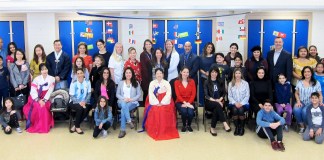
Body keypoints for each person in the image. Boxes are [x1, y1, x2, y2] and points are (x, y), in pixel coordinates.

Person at [144, 68, 179, 140]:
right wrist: (156, 102)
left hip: (165, 100)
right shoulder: (152, 83)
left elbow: (169, 93)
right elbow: (150, 94)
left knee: (164, 110)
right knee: (154, 110)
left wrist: (162, 102)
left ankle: (165, 129)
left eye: (160, 73)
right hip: (154, 100)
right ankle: (155, 130)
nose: (159, 75)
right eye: (157, 73)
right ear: (155, 75)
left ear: (163, 74)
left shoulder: (166, 83)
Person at [23, 63, 55, 133]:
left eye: (46, 69)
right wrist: (38, 99)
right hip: (36, 97)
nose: (44, 71)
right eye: (42, 69)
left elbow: (50, 90)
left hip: (46, 98)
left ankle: (44, 126)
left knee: (43, 107)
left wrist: (45, 100)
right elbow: (33, 91)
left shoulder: (52, 78)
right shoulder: (36, 79)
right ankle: (36, 124)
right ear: (40, 71)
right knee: (37, 106)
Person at [294, 66, 322, 134]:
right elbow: (296, 93)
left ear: (311, 73)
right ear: (303, 73)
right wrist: (298, 101)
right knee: (296, 109)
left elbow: (320, 94)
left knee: (304, 111)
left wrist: (320, 102)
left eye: (308, 71)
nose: (307, 73)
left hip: (312, 103)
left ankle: (308, 126)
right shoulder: (299, 82)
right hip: (302, 101)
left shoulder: (316, 82)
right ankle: (302, 126)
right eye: (305, 72)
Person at [204, 66, 231, 136]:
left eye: (215, 72)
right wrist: (217, 101)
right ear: (210, 73)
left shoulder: (220, 81)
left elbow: (224, 93)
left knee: (217, 108)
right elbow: (206, 95)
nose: (214, 74)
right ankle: (224, 123)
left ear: (218, 73)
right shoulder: (206, 82)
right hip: (209, 102)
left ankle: (212, 128)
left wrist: (220, 99)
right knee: (217, 105)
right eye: (212, 72)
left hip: (220, 101)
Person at [116, 67, 141, 138]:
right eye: (126, 73)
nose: (128, 74)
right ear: (124, 74)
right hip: (121, 101)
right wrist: (124, 98)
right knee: (124, 104)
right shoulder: (121, 83)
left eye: (130, 72)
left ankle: (122, 130)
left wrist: (131, 99)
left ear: (132, 74)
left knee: (123, 110)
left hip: (132, 102)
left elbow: (139, 94)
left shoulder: (136, 83)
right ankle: (129, 120)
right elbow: (117, 94)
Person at [68, 68, 92, 134]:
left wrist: (85, 102)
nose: (79, 75)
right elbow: (72, 96)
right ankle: (78, 127)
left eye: (81, 73)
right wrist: (80, 102)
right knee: (80, 108)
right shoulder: (73, 83)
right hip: (74, 102)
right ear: (76, 75)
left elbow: (89, 93)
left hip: (85, 102)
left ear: (83, 74)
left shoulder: (87, 81)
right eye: (78, 73)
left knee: (87, 108)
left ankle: (75, 126)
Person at [228, 68, 250, 136]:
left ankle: (242, 128)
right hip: (233, 103)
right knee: (234, 109)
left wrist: (241, 103)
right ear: (234, 74)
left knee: (240, 110)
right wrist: (235, 103)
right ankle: (237, 127)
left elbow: (247, 95)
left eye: (239, 73)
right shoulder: (230, 83)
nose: (237, 75)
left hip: (244, 103)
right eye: (236, 73)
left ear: (241, 74)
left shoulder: (245, 83)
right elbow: (229, 96)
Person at [174, 67, 196, 132]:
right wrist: (185, 103)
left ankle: (188, 125)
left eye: (187, 72)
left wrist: (188, 103)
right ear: (181, 72)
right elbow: (178, 95)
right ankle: (184, 125)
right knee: (184, 111)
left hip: (190, 101)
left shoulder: (192, 81)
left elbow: (193, 94)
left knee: (190, 113)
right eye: (184, 72)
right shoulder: (176, 82)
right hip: (180, 102)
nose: (186, 74)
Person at [140, 39, 154, 105]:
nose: (148, 45)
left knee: (153, 94)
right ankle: (144, 110)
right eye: (146, 44)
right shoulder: (142, 54)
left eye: (149, 44)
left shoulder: (154, 53)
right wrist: (149, 79)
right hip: (146, 79)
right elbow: (144, 68)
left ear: (151, 45)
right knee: (146, 94)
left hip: (154, 77)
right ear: (144, 46)